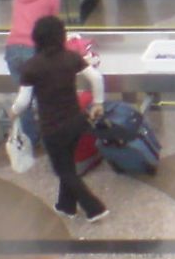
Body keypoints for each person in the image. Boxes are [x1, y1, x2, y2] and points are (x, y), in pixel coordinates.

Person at [11, 16, 111, 223]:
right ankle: (66, 206)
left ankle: (94, 208)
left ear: (36, 38)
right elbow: (96, 78)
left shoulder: (31, 67)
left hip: (52, 127)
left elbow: (23, 101)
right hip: (76, 121)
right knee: (67, 164)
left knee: (63, 171)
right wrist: (98, 103)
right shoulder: (71, 57)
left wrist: (13, 111)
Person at [4, 0, 61, 146]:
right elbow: (53, 28)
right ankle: (50, 137)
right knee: (45, 95)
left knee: (24, 96)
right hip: (33, 49)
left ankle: (30, 139)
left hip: (12, 49)